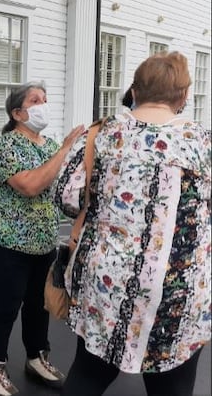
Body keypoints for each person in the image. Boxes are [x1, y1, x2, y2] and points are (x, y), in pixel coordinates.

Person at [58, 51, 211, 396]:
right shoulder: (202, 141)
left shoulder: (101, 134)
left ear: (135, 90)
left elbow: (67, 199)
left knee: (88, 374)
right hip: (177, 291)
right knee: (173, 385)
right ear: (184, 96)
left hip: (106, 285)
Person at [0, 81, 84, 396]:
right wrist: (65, 149)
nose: (43, 105)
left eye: (45, 99)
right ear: (18, 113)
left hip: (41, 241)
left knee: (39, 303)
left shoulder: (48, 145)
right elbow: (31, 185)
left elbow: (63, 186)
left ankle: (37, 357)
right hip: (1, 241)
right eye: (36, 100)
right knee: (5, 305)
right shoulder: (6, 146)